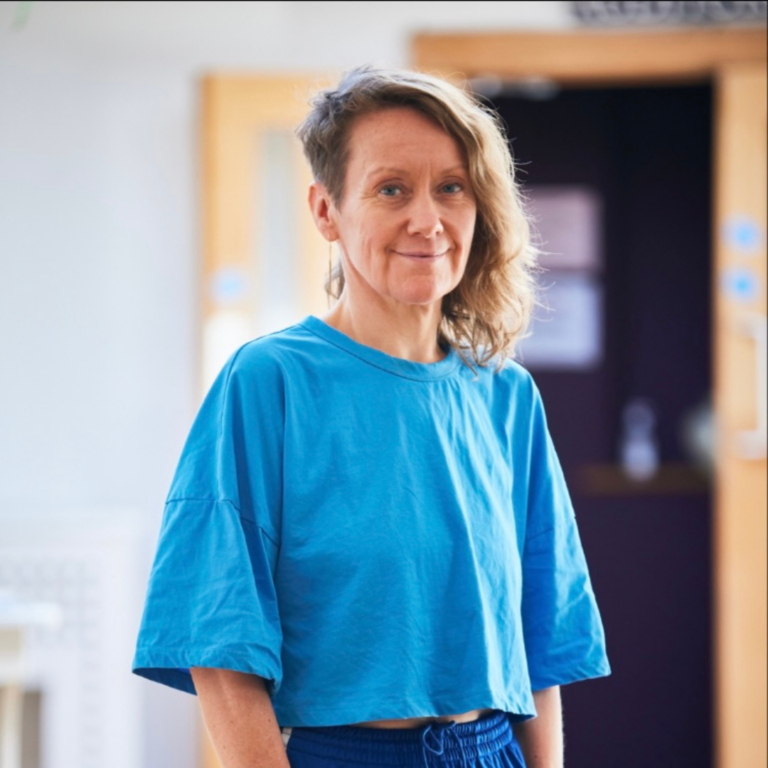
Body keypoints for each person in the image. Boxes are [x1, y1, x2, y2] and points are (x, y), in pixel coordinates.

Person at [131, 66, 611, 768]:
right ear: (326, 210)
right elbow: (218, 648)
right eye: (392, 189)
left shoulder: (507, 397)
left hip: (492, 749)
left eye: (451, 186)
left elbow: (541, 645)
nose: (428, 219)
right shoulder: (270, 382)